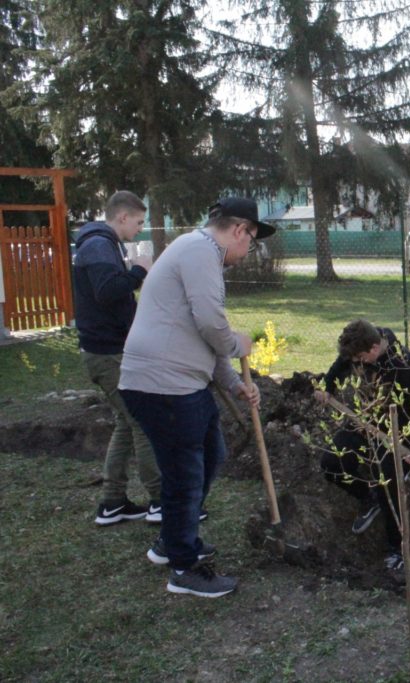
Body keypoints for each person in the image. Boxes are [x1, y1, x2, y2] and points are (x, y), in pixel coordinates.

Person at [119, 197, 272, 598]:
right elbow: (211, 325)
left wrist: (235, 383)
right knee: (185, 475)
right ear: (239, 230)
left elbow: (203, 335)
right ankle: (184, 567)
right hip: (162, 385)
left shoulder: (199, 253)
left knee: (211, 454)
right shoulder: (201, 251)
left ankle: (173, 540)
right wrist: (238, 345)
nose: (249, 249)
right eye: (252, 240)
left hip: (180, 383)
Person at [313, 319, 410, 574]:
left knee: (388, 482)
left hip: (404, 432)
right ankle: (367, 498)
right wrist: (326, 386)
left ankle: (398, 548)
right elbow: (341, 364)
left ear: (373, 349)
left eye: (360, 359)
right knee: (331, 463)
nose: (357, 364)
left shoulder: (407, 367)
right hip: (369, 422)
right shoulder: (364, 346)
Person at [72, 191, 162, 526]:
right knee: (142, 419)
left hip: (106, 349)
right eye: (138, 222)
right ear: (122, 217)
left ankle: (113, 503)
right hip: (107, 353)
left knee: (126, 421)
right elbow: (108, 291)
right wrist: (139, 271)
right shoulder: (98, 245)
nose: (139, 228)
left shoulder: (101, 244)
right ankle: (161, 501)